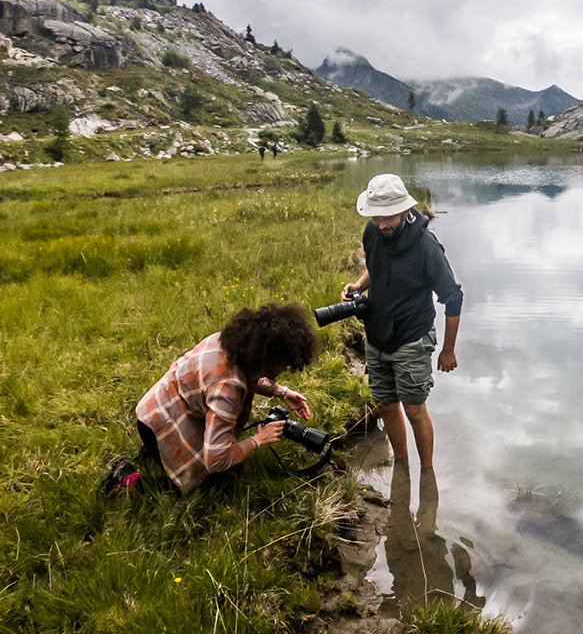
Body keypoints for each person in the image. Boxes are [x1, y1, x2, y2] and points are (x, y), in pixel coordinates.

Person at [102, 303, 318, 495]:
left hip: (156, 407)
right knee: (212, 483)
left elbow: (249, 375)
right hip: (161, 422)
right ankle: (127, 480)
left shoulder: (232, 343)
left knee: (227, 458)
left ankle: (154, 450)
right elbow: (216, 460)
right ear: (266, 357)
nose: (283, 370)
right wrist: (258, 440)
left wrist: (281, 392)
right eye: (282, 365)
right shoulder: (228, 389)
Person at [342, 173, 462, 470]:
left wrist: (448, 350)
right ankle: (402, 464)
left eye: (388, 217)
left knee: (414, 408)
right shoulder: (372, 233)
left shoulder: (427, 247)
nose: (382, 224)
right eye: (375, 217)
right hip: (377, 334)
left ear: (405, 210)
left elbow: (453, 298)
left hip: (412, 336)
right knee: (385, 404)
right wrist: (359, 286)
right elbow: (376, 266)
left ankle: (427, 472)